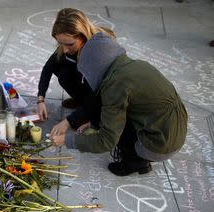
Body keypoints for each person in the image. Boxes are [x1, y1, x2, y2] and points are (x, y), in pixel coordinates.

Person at [50, 32, 188, 176]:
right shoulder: (133, 66)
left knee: (114, 124)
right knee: (109, 112)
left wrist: (68, 140)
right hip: (174, 134)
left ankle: (135, 162)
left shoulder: (115, 85)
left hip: (159, 146)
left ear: (96, 66)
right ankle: (140, 154)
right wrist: (92, 123)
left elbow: (106, 141)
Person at [36, 8, 114, 134]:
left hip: (106, 99)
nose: (65, 49)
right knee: (62, 70)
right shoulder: (67, 46)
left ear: (83, 36)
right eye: (60, 43)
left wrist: (68, 121)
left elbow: (96, 97)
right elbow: (48, 67)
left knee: (77, 122)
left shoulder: (98, 51)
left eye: (70, 44)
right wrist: (40, 99)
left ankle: (96, 118)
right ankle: (80, 102)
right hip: (90, 92)